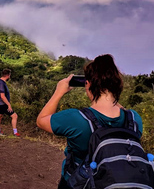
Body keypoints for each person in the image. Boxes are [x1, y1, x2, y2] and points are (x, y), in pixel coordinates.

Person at [36, 54, 144, 189]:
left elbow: (41, 121)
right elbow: (120, 110)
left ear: (88, 84)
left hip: (79, 183)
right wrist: (112, 94)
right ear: (117, 84)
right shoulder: (134, 119)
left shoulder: (76, 119)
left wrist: (59, 92)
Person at [0, 69, 20, 136]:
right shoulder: (1, 83)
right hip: (3, 103)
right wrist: (8, 105)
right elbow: (2, 96)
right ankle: (15, 133)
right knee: (14, 116)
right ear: (8, 75)